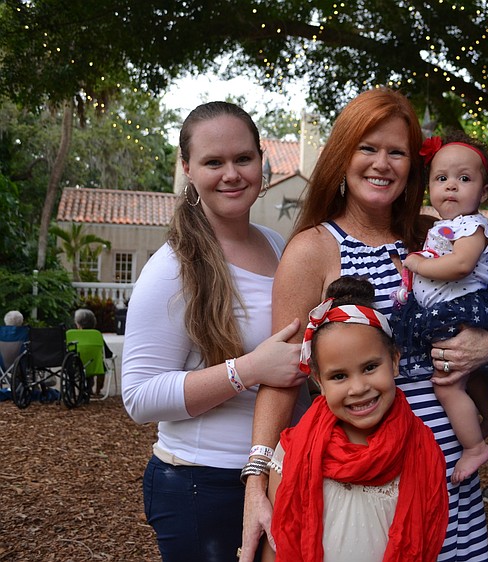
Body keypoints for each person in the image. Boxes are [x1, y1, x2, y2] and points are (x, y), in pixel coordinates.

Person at [242, 88, 488, 562]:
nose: (382, 163)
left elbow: (487, 311)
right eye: (368, 148)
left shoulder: (434, 237)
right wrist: (257, 484)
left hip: (453, 469)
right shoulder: (314, 250)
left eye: (396, 152)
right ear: (342, 156)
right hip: (370, 482)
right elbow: (283, 376)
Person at [121, 101, 303, 562]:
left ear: (262, 160)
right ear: (187, 168)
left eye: (243, 158)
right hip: (202, 485)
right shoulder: (173, 267)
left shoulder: (277, 245)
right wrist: (248, 369)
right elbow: (139, 397)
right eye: (213, 162)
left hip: (277, 476)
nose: (232, 174)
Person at [265, 276, 448, 562]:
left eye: (370, 367)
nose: (358, 388)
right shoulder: (294, 451)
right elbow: (277, 543)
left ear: (395, 361)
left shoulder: (421, 450)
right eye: (339, 376)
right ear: (318, 381)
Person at [391, 131, 488, 483]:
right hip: (449, 309)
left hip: (460, 310)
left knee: (447, 385)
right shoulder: (445, 226)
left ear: (483, 192)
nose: (451, 186)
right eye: (442, 179)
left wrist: (416, 264)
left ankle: (474, 448)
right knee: (472, 376)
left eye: (464, 179)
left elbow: (459, 266)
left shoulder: (472, 226)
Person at [72, 307, 112, 395]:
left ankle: (85, 388)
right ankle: (98, 390)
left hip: (77, 364)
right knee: (101, 366)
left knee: (83, 364)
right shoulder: (96, 335)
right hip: (95, 365)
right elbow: (108, 354)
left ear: (78, 324)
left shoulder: (72, 335)